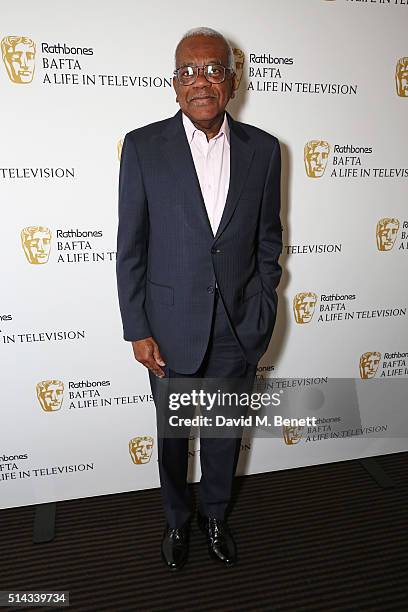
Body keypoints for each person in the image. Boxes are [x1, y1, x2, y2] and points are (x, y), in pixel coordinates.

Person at [116, 26, 282, 570]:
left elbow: (267, 239)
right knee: (172, 438)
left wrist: (261, 313)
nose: (200, 81)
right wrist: (137, 328)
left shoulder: (264, 150)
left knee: (222, 436)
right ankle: (176, 520)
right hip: (167, 330)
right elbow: (131, 247)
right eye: (187, 71)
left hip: (238, 328)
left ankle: (215, 516)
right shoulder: (142, 147)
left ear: (232, 82)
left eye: (212, 69)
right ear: (174, 84)